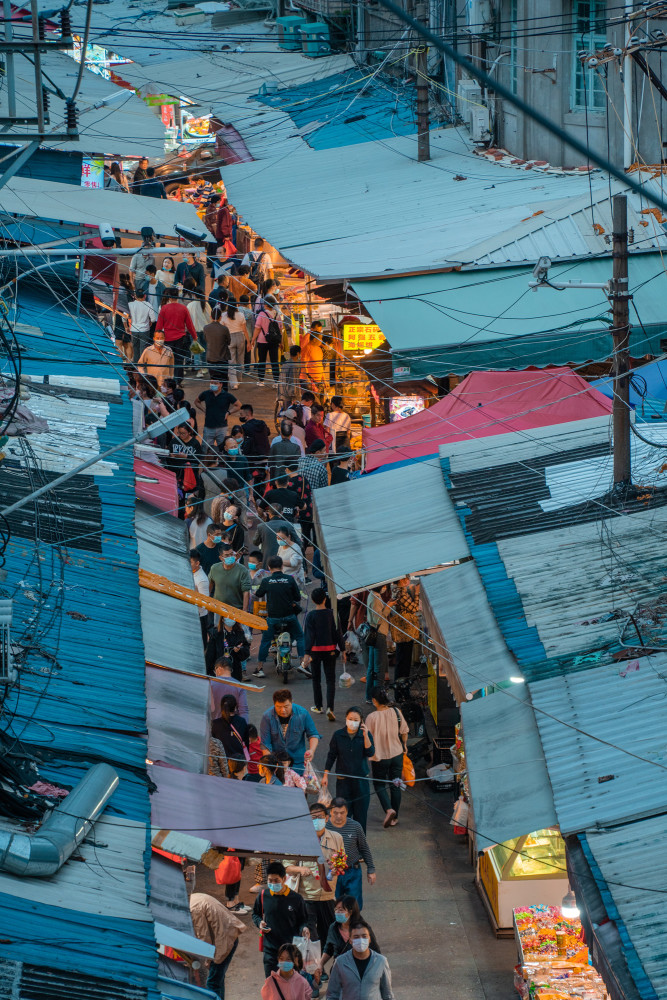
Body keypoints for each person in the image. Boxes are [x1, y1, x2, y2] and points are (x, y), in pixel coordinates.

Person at [285, 803, 344, 945]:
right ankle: (314, 966)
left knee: (330, 937)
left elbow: (341, 861)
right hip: (306, 896)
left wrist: (337, 868)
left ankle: (325, 963)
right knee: (309, 937)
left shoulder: (336, 838)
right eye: (313, 818)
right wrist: (300, 870)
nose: (317, 820)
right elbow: (287, 867)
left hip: (328, 895)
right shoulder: (298, 840)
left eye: (320, 817)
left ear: (327, 818)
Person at [252, 861, 310, 978]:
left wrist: (304, 928)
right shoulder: (263, 895)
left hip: (290, 950)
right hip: (270, 950)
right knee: (272, 983)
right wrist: (260, 923)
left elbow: (303, 920)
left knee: (290, 984)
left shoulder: (296, 898)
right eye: (270, 880)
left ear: (284, 878)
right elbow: (255, 914)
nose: (273, 883)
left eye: (276, 880)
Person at [322, 708, 374, 832]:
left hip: (361, 781)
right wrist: (325, 775)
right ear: (346, 719)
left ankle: (360, 845)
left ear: (361, 721)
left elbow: (370, 752)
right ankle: (342, 846)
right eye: (350, 719)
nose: (352, 722)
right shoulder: (338, 735)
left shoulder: (365, 735)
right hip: (343, 782)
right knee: (343, 815)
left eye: (356, 720)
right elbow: (331, 755)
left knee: (360, 816)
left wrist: (366, 736)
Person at [255, 561, 308, 681]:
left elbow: (258, 594)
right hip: (290, 616)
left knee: (265, 641)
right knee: (300, 637)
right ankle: (303, 664)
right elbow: (298, 597)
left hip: (273, 618)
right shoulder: (289, 579)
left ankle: (260, 669)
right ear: (282, 567)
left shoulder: (266, 581)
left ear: (269, 567)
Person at [365, 687, 408, 828]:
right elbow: (404, 731)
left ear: (374, 701)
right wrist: (405, 745)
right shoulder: (396, 712)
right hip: (397, 754)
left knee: (379, 784)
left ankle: (389, 810)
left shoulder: (371, 717)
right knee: (395, 784)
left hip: (380, 756)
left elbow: (367, 738)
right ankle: (395, 817)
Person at [189, 892, 245, 1000]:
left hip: (225, 940)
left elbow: (204, 938)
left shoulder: (193, 909)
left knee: (213, 982)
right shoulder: (193, 897)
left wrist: (207, 960)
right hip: (227, 935)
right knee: (218, 979)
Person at [303, 587, 344, 720]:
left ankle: (318, 706)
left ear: (314, 601)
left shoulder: (310, 616)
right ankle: (330, 709)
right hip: (330, 651)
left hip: (315, 652)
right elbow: (338, 633)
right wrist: (343, 650)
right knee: (330, 680)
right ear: (325, 599)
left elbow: (309, 636)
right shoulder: (332, 614)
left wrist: (306, 654)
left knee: (316, 679)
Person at [327, 798, 375, 910]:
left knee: (354, 906)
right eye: (336, 813)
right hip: (332, 872)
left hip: (352, 871)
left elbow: (364, 848)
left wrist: (371, 869)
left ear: (347, 812)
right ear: (330, 812)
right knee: (332, 905)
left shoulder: (355, 826)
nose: (339, 816)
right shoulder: (325, 828)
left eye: (342, 813)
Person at [326, 922, 394, 1000]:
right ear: (350, 940)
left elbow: (387, 994)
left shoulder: (381, 961)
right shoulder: (340, 962)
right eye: (356, 937)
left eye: (364, 936)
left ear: (369, 939)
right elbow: (332, 994)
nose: (361, 940)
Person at [259, 687, 319, 774]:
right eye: (278, 707)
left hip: (298, 763)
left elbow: (313, 735)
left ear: (291, 702)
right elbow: (265, 745)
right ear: (274, 704)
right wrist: (270, 765)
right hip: (277, 764)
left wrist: (312, 750)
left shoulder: (303, 713)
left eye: (286, 706)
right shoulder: (267, 717)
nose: (283, 710)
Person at [319, 897, 380, 978]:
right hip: (339, 973)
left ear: (350, 912)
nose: (337, 912)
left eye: (341, 910)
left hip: (360, 973)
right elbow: (329, 949)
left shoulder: (363, 929)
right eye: (336, 909)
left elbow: (375, 951)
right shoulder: (333, 928)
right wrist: (320, 964)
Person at [155, 287, 198, 384]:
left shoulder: (164, 308)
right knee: (179, 360)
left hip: (167, 338)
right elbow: (190, 325)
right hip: (181, 338)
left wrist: (157, 339)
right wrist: (194, 336)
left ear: (169, 297)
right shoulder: (183, 308)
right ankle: (178, 380)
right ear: (178, 297)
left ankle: (169, 380)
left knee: (168, 359)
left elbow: (159, 326)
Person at [196, 380, 240, 460]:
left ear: (221, 384)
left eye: (215, 383)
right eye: (211, 383)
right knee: (205, 450)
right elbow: (197, 402)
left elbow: (238, 405)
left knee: (223, 449)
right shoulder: (206, 394)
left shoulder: (227, 395)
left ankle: (223, 465)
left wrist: (229, 412)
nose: (213, 385)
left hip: (222, 427)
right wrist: (203, 409)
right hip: (208, 427)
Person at [387, 577, 420, 681]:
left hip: (403, 630)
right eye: (407, 578)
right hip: (405, 631)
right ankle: (401, 690)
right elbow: (414, 608)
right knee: (404, 660)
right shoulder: (401, 592)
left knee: (403, 659)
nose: (409, 581)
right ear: (402, 580)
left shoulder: (399, 591)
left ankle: (402, 688)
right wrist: (417, 594)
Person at [209, 542, 252, 612]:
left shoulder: (242, 570)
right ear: (221, 558)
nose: (230, 557)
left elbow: (246, 592)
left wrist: (244, 610)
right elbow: (210, 585)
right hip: (217, 608)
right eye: (226, 555)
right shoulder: (214, 568)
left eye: (231, 554)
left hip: (236, 609)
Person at [364, 589, 390, 703]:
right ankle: (378, 698)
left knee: (372, 668)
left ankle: (370, 697)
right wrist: (388, 606)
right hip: (379, 635)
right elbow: (378, 619)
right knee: (379, 668)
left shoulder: (373, 595)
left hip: (375, 634)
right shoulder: (375, 598)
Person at [252, 509, 296, 577]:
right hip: (286, 562)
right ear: (281, 513)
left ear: (269, 514)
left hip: (267, 562)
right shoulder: (288, 524)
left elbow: (255, 542)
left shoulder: (261, 526)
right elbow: (298, 542)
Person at [166, 422, 203, 497]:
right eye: (179, 433)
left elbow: (198, 459)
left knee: (188, 497)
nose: (181, 435)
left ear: (189, 432)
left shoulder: (195, 443)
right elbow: (168, 455)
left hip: (190, 476)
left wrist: (186, 456)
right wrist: (171, 455)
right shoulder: (174, 441)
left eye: (184, 433)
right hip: (176, 473)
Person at [253, 294, 282, 386]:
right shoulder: (277, 315)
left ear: (265, 305)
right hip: (274, 341)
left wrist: (253, 339)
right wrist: (281, 342)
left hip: (262, 340)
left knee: (262, 360)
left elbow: (257, 328)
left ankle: (261, 381)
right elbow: (280, 329)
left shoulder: (261, 314)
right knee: (275, 361)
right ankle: (276, 382)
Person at [212, 693, 249, 761]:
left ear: (222, 707)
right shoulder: (242, 722)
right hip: (239, 764)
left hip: (222, 764)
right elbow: (246, 743)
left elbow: (212, 747)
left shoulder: (215, 724)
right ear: (235, 708)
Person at [212, 656, 249, 721]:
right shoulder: (239, 686)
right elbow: (243, 711)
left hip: (213, 727)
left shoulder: (210, 684)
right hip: (233, 727)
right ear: (231, 670)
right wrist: (243, 728)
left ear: (218, 669)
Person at [126, 288, 157, 363]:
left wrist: (126, 326)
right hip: (145, 330)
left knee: (135, 349)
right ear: (145, 296)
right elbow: (153, 319)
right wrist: (150, 322)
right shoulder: (148, 305)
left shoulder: (130, 305)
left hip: (134, 330)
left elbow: (125, 316)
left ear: (135, 296)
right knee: (143, 349)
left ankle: (136, 366)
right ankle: (142, 366)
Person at [204, 305, 231, 387]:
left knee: (213, 378)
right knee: (224, 379)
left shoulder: (206, 328)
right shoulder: (224, 329)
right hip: (222, 357)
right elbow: (229, 342)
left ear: (211, 317)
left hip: (211, 357)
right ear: (220, 317)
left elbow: (206, 340)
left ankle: (215, 394)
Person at [224, 299, 249, 389]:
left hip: (229, 337)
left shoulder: (224, 315)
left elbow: (223, 329)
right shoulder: (241, 315)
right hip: (240, 337)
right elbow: (245, 330)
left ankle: (234, 383)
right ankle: (239, 378)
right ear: (236, 305)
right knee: (240, 359)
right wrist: (248, 342)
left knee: (231, 361)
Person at [191, 548, 212, 647]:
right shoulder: (192, 573)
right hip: (193, 613)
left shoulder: (202, 580)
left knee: (201, 643)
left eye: (190, 562)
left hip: (200, 616)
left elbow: (204, 601)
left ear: (197, 563)